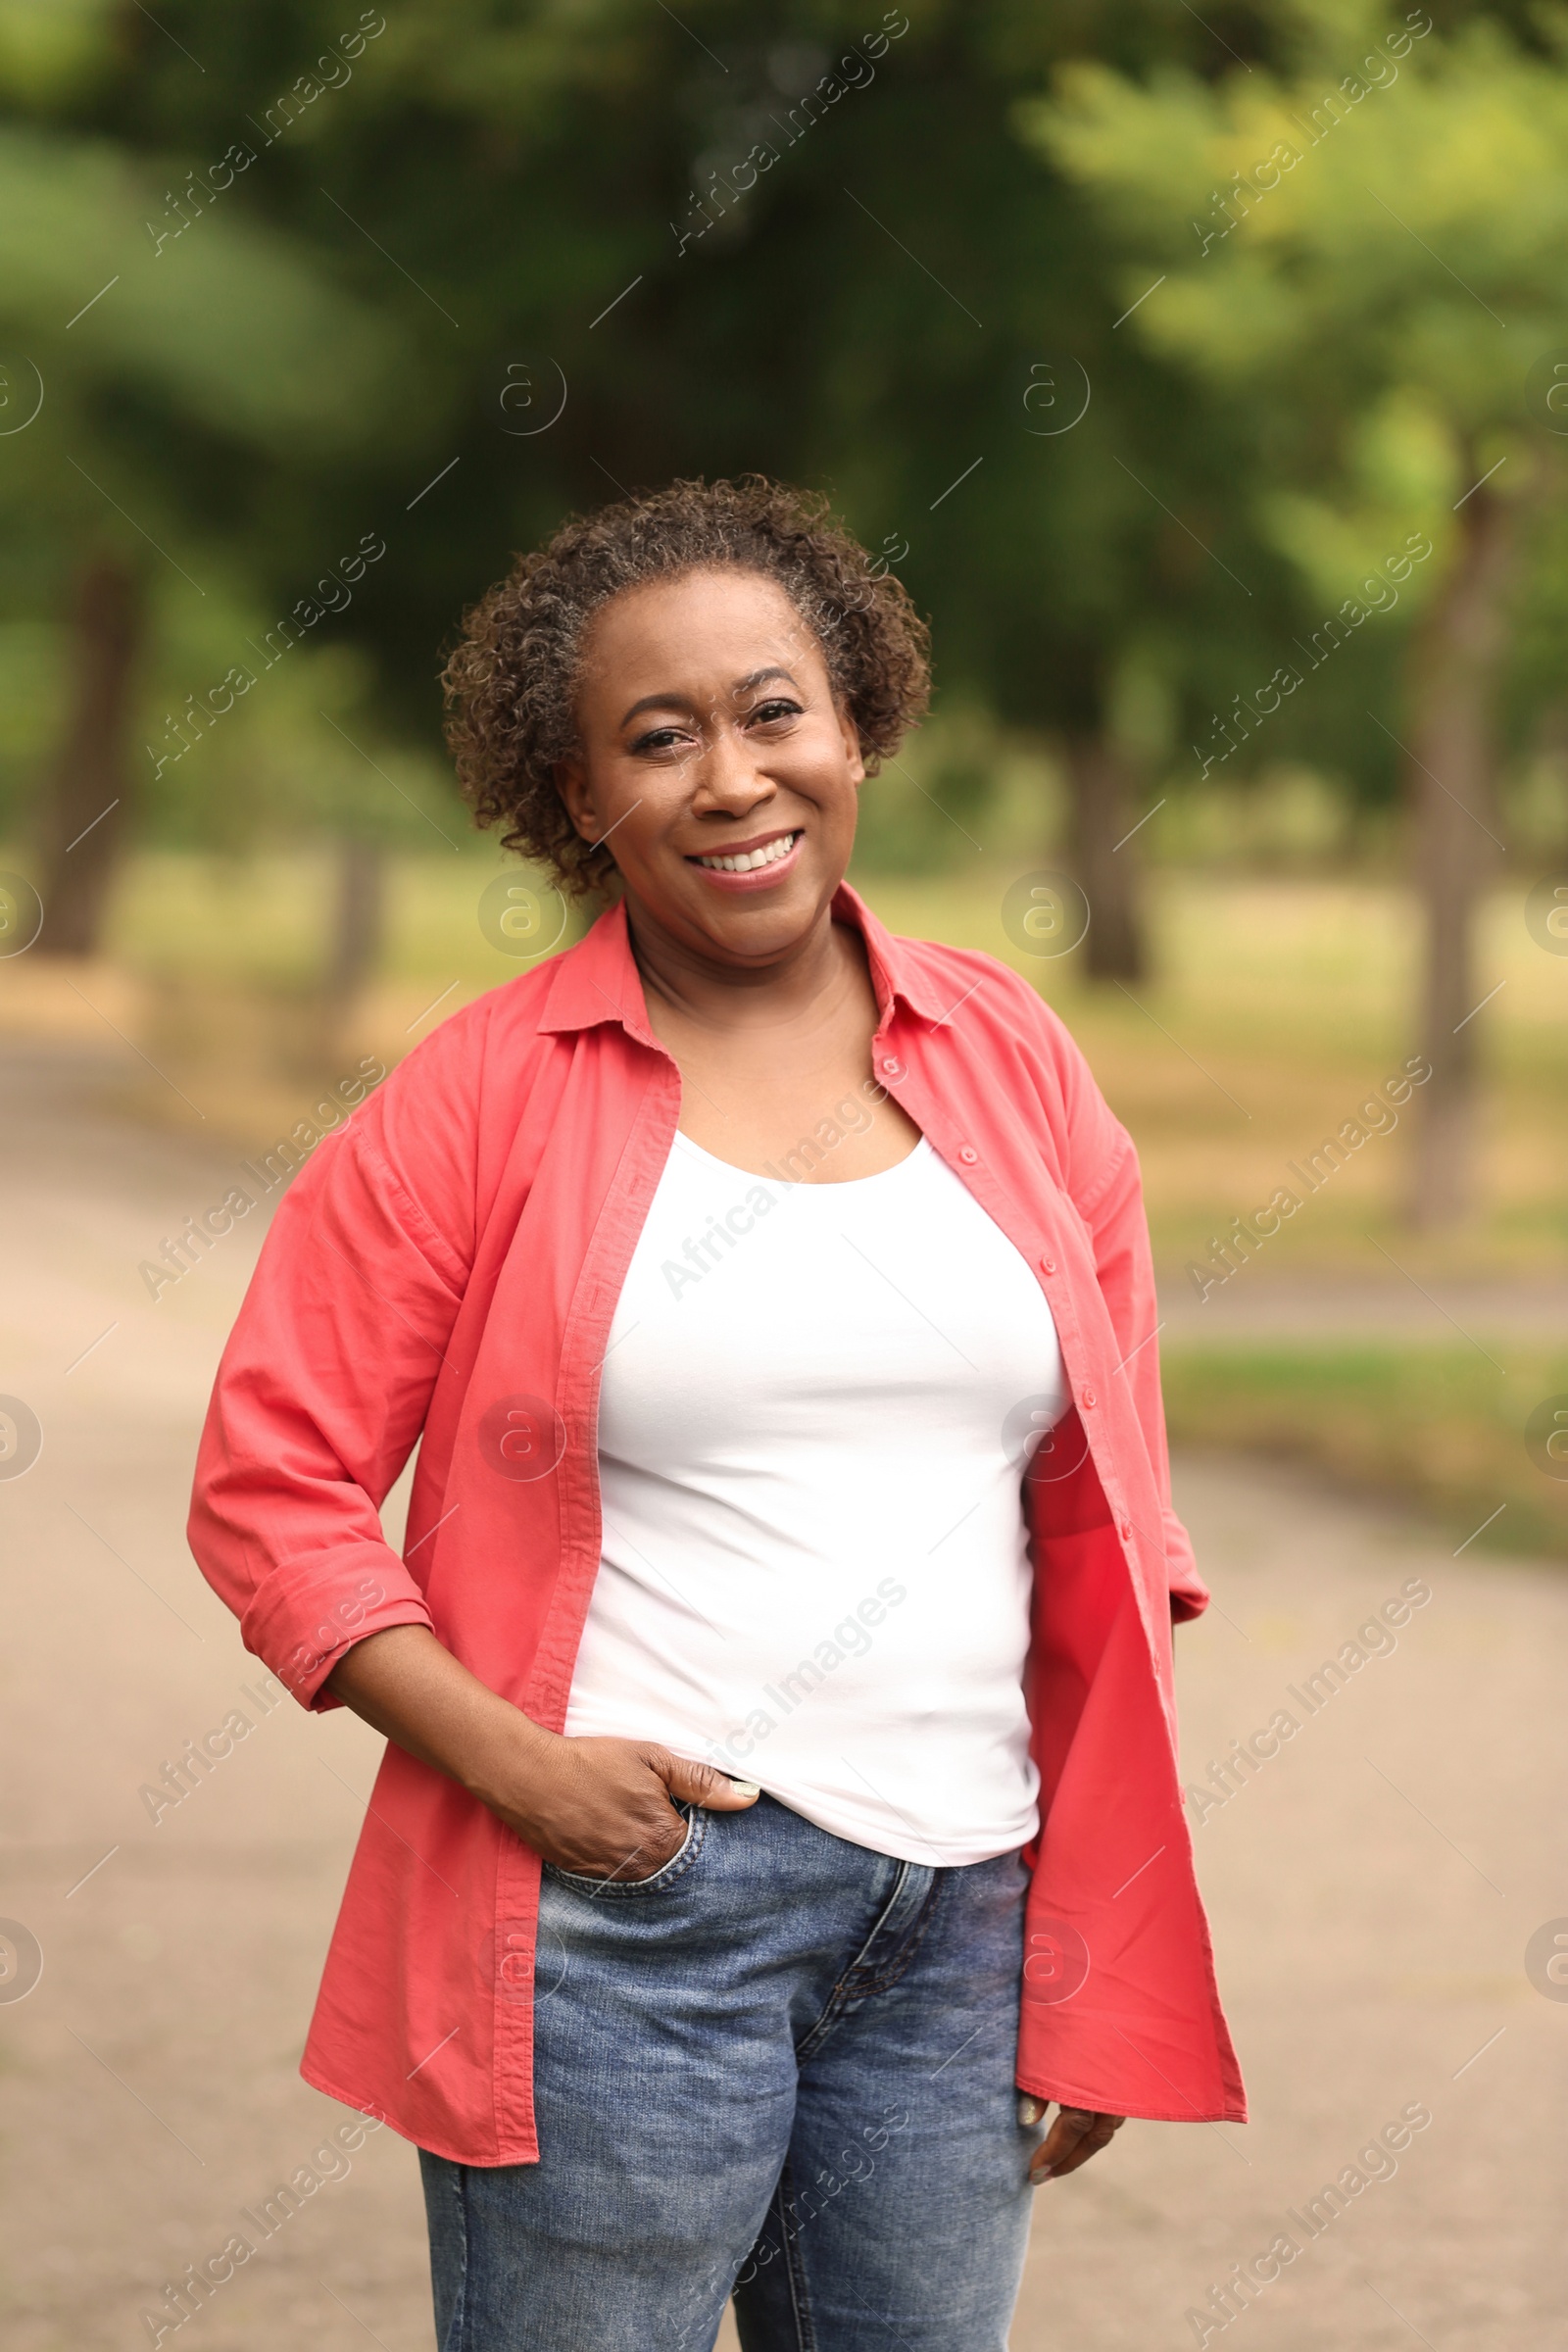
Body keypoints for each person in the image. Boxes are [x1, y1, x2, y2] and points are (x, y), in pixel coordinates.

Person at [189, 475, 1243, 2352]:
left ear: (856, 728)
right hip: (625, 1920)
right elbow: (274, 1489)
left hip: (965, 1915)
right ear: (580, 798)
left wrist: (1093, 1927)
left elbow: (1115, 1516)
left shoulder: (1011, 1055)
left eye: (775, 712)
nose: (733, 778)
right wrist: (524, 1769)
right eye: (656, 739)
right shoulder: (478, 1098)